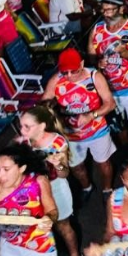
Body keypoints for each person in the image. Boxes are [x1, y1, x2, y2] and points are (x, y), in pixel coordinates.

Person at [41, 48, 116, 203]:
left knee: (103, 163)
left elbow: (110, 104)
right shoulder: (56, 80)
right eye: (65, 72)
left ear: (81, 64)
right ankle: (86, 187)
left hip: (96, 130)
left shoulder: (95, 77)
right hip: (71, 134)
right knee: (76, 166)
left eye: (73, 71)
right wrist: (50, 107)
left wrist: (91, 115)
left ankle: (107, 189)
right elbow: (43, 105)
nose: (69, 75)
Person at [17, 106, 83, 256]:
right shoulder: (24, 141)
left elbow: (64, 173)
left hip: (55, 189)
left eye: (27, 126)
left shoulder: (57, 143)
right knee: (37, 229)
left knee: (63, 226)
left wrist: (58, 164)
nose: (22, 130)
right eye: (21, 126)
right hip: (32, 192)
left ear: (42, 126)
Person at [0, 143, 61, 256]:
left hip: (39, 244)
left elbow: (52, 211)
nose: (0, 175)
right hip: (10, 245)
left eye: (6, 169)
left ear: (22, 168)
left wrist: (49, 219)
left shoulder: (38, 182)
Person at [88, 0, 128, 130]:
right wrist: (98, 63)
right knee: (117, 128)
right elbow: (91, 57)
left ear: (121, 9)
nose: (105, 14)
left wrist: (125, 52)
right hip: (108, 91)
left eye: (110, 10)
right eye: (103, 10)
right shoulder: (96, 30)